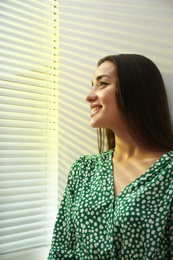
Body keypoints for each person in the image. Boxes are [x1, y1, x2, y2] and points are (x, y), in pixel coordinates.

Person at [48, 54, 173, 259]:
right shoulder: (84, 169)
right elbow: (61, 248)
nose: (89, 96)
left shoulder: (168, 173)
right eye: (92, 86)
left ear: (135, 92)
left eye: (102, 84)